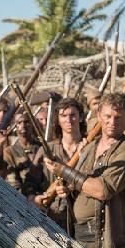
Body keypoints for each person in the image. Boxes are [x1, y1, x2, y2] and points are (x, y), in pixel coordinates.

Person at [44, 93, 125, 248]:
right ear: (99, 116)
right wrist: (67, 189)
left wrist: (64, 170)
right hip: (82, 237)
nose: (112, 122)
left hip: (110, 244)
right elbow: (80, 183)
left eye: (118, 117)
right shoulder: (90, 147)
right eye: (107, 116)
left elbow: (102, 190)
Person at [36, 97, 86, 233]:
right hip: (53, 217)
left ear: (81, 117)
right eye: (63, 116)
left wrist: (70, 188)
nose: (68, 120)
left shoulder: (90, 147)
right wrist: (37, 198)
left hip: (83, 219)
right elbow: (31, 182)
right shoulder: (47, 150)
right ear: (57, 120)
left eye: (73, 115)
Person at [3, 111, 46, 197]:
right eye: (19, 123)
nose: (23, 126)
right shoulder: (9, 152)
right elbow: (13, 183)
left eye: (26, 122)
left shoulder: (42, 148)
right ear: (15, 126)